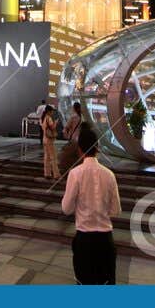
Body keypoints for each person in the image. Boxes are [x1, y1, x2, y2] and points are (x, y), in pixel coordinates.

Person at [60, 126, 120, 284]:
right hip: (105, 240)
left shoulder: (75, 173)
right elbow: (116, 211)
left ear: (79, 149)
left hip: (84, 240)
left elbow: (66, 209)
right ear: (98, 148)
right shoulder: (109, 175)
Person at [41, 105, 60, 180]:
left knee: (46, 157)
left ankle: (47, 173)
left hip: (44, 139)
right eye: (52, 111)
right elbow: (52, 127)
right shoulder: (48, 118)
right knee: (53, 157)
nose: (52, 112)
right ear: (49, 111)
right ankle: (56, 174)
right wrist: (56, 122)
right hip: (49, 140)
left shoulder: (43, 118)